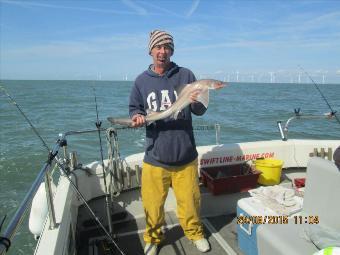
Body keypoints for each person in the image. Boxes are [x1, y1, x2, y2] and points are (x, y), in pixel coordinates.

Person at [129, 30, 210, 255]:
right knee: (153, 207)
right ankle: (153, 238)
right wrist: (136, 117)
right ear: (151, 50)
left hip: (185, 155)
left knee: (191, 203)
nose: (162, 51)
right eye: (158, 47)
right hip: (155, 155)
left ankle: (195, 233)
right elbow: (135, 108)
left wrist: (196, 100)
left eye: (166, 47)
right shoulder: (141, 81)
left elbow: (200, 110)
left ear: (171, 51)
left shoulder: (186, 75)